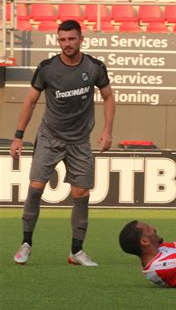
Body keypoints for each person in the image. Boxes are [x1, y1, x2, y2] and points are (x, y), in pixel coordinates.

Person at [10, 20, 115, 266]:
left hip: (79, 141)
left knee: (81, 194)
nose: (67, 44)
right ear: (59, 40)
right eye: (62, 40)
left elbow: (109, 97)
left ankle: (76, 252)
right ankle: (26, 244)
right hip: (50, 137)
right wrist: (18, 135)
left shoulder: (95, 67)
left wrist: (107, 130)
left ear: (81, 39)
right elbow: (30, 101)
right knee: (36, 187)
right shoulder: (47, 68)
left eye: (71, 39)